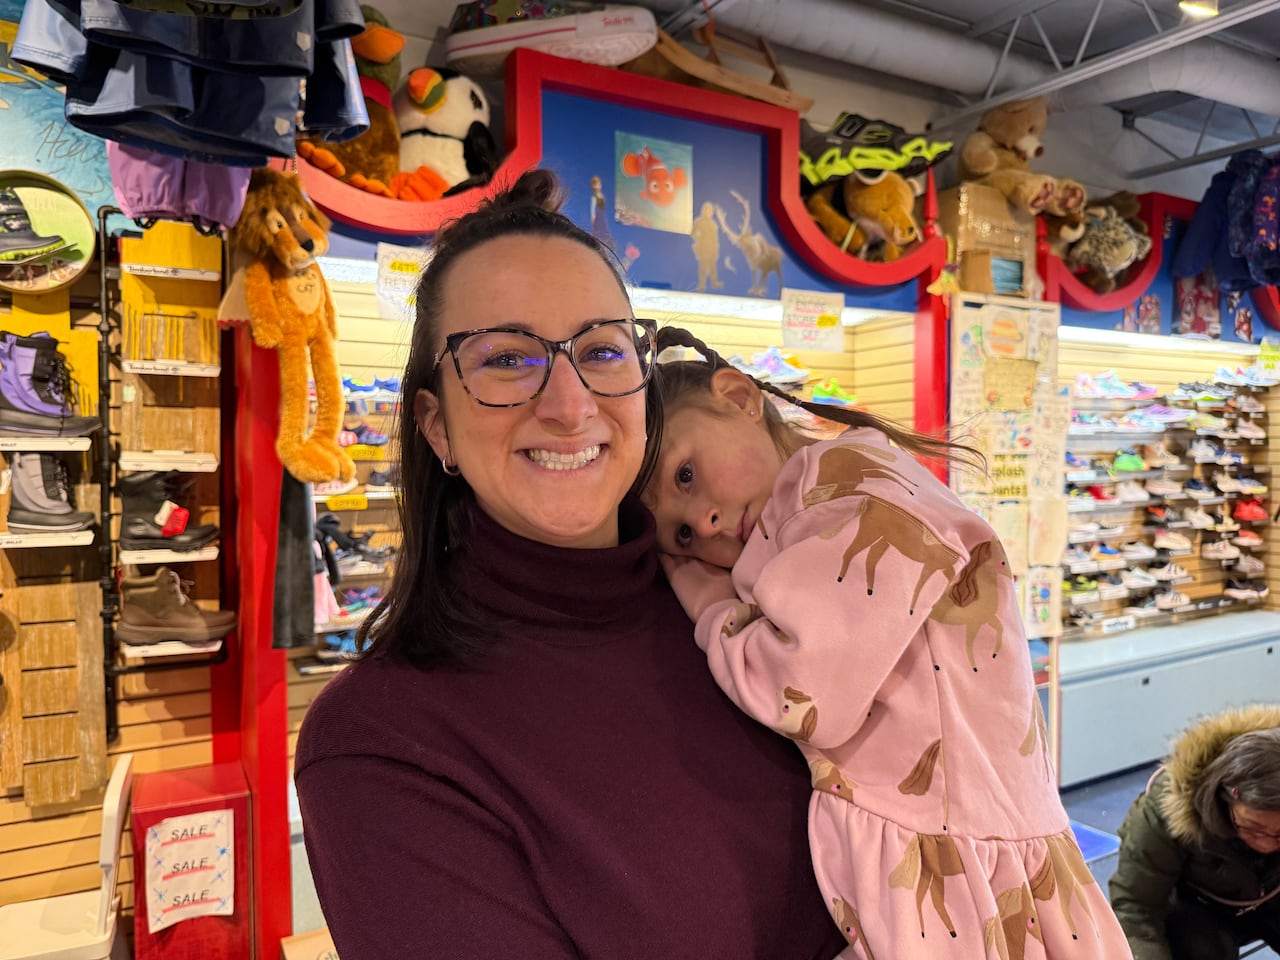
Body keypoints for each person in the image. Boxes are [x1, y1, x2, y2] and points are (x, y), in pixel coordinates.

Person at [293, 170, 847, 960]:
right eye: (507, 359)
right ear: (436, 426)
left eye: (602, 350)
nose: (570, 403)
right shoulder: (384, 743)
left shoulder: (753, 607)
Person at [640, 327, 1133, 958]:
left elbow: (805, 691)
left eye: (687, 474)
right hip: (959, 849)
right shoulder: (818, 506)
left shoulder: (841, 487)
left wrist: (704, 599)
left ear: (739, 396)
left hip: (959, 866)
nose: (703, 523)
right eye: (681, 537)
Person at [1109, 706, 1280, 960]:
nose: (1268, 843)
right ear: (1223, 798)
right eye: (1254, 827)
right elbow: (1136, 908)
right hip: (1196, 908)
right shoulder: (1167, 810)